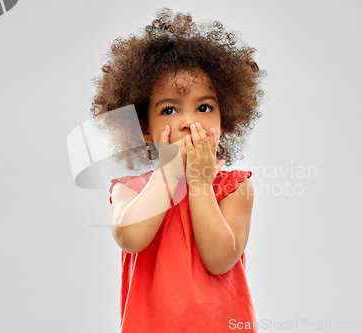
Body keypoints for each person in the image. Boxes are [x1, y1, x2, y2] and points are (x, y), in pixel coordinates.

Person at [90, 8, 266, 332]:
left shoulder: (234, 189)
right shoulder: (130, 189)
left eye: (204, 107)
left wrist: (199, 183)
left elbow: (220, 259)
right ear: (145, 129)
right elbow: (129, 236)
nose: (189, 121)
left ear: (223, 121)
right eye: (169, 109)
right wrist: (170, 174)